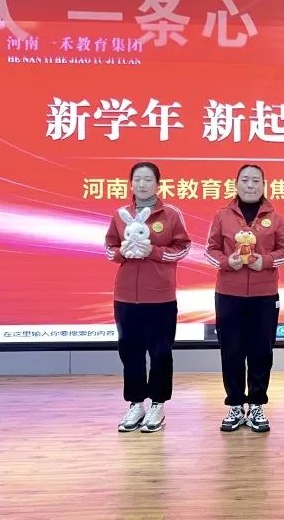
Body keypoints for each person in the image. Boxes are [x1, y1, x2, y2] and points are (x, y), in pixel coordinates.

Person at [206, 164, 284, 433]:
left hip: (264, 295)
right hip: (228, 294)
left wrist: (264, 261)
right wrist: (227, 262)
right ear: (236, 185)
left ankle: (256, 404)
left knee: (261, 351)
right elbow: (211, 250)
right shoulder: (223, 215)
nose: (250, 185)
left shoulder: (274, 217)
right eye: (245, 180)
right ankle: (235, 404)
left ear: (263, 186)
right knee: (231, 350)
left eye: (256, 181)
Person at [104, 162, 191, 433]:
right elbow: (109, 247)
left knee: (160, 352)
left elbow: (183, 248)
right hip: (126, 297)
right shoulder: (120, 215)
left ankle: (157, 405)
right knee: (130, 352)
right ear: (131, 184)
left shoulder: (170, 214)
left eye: (148, 179)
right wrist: (121, 252)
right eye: (137, 179)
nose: (142, 184)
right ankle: (135, 404)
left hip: (160, 297)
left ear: (158, 184)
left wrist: (153, 251)